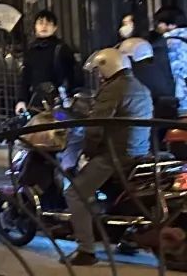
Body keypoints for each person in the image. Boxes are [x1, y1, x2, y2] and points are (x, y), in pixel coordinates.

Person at [63, 48, 152, 267]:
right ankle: (123, 236)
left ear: (107, 67)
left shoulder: (113, 89)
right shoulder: (140, 87)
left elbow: (96, 127)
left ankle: (86, 249)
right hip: (138, 151)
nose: (98, 75)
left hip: (115, 155)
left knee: (75, 193)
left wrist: (88, 151)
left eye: (98, 70)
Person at [16, 10, 79, 114]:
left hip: (60, 103)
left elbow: (73, 75)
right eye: (40, 23)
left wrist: (70, 97)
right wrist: (21, 100)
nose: (44, 26)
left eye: (48, 23)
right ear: (35, 26)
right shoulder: (31, 50)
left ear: (55, 27)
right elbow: (25, 77)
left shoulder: (62, 49)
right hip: (36, 104)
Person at [160, 7, 187, 116]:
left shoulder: (168, 42)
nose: (158, 26)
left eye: (160, 23)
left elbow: (173, 71)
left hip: (180, 97)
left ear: (171, 25)